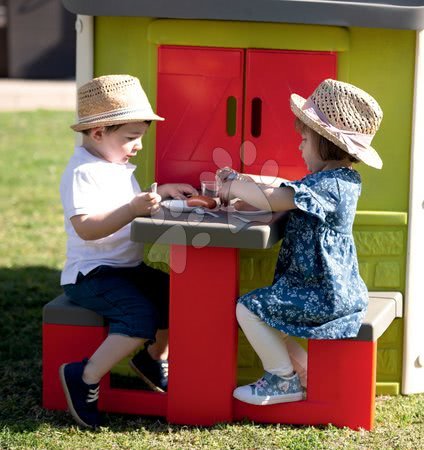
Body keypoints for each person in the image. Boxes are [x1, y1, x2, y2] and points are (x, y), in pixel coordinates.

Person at [217, 78, 383, 405]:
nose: (299, 146)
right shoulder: (337, 178)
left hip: (325, 294)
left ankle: (282, 379)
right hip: (329, 289)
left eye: (304, 139)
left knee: (248, 308)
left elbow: (276, 198)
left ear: (325, 142)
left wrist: (234, 185)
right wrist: (248, 183)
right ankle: (304, 372)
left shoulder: (331, 185)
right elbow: (281, 190)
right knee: (267, 312)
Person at [59, 74, 197, 428]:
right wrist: (133, 209)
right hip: (92, 274)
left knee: (176, 296)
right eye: (130, 138)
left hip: (126, 267)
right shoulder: (83, 172)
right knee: (139, 317)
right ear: (98, 132)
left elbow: (126, 203)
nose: (137, 146)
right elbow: (87, 228)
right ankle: (84, 376)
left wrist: (162, 192)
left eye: (139, 138)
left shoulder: (115, 165)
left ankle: (152, 357)